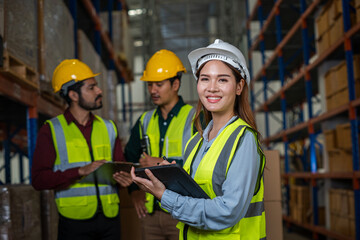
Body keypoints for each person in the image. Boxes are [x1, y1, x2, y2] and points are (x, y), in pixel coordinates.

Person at [131, 39, 266, 240]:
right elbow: (198, 195)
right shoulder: (195, 143)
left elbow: (228, 211)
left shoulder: (243, 139)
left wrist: (165, 196)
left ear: (239, 87)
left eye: (222, 80)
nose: (212, 88)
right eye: (205, 79)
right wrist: (170, 180)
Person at [31, 59, 133, 240]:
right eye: (91, 88)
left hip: (110, 219)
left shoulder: (109, 127)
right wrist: (80, 171)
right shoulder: (52, 129)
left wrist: (124, 178)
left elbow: (120, 167)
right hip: (74, 222)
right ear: (73, 95)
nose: (99, 91)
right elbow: (39, 180)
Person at [124, 49, 199, 240]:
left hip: (183, 213)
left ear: (175, 84)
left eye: (159, 84)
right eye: (150, 85)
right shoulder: (144, 121)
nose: (152, 90)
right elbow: (129, 159)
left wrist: (162, 163)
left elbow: (205, 163)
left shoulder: (195, 118)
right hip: (151, 214)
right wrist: (133, 192)